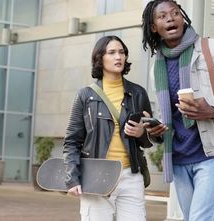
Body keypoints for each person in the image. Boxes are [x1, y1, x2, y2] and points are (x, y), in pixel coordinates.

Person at [141, 0, 214, 221]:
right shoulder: (157, 69)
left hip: (212, 154)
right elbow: (166, 116)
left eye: (175, 13)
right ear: (154, 27)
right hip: (179, 158)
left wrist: (212, 111)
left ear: (183, 17)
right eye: (162, 16)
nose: (171, 19)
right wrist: (156, 132)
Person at [63, 36, 159, 221]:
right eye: (112, 52)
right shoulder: (85, 96)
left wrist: (142, 133)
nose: (118, 57)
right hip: (96, 176)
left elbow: (149, 139)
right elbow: (72, 141)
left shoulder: (138, 93)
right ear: (100, 58)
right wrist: (72, 178)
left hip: (130, 175)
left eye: (122, 52)